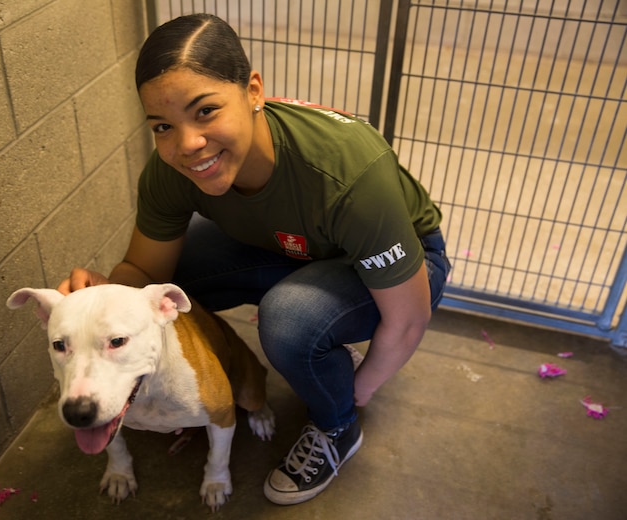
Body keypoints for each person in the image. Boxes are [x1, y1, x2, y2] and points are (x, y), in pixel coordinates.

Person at [58, 13, 450, 506]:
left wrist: (356, 389)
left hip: (404, 269)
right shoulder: (169, 170)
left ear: (254, 90)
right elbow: (143, 278)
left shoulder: (346, 170)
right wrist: (104, 297)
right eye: (163, 125)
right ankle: (310, 334)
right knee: (175, 281)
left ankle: (338, 428)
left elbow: (409, 319)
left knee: (289, 322)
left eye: (205, 111)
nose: (187, 145)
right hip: (286, 248)